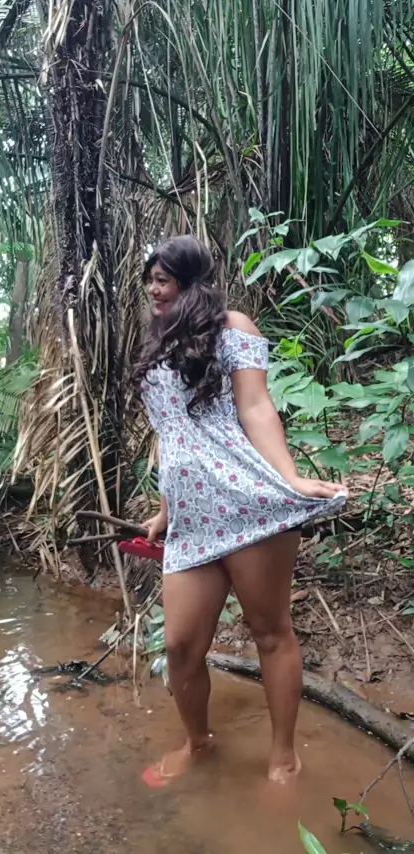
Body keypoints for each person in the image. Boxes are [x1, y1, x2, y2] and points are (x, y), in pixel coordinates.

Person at [134, 235, 347, 788]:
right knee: (180, 646)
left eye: (163, 280)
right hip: (192, 521)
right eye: (150, 280)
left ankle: (283, 758)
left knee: (269, 632)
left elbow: (256, 407)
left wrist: (290, 477)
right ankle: (197, 743)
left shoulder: (232, 327)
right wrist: (165, 510)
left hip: (246, 503)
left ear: (191, 282)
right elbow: (171, 436)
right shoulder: (157, 342)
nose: (153, 290)